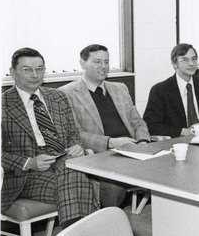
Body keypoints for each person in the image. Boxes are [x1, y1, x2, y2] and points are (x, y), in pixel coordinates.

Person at [1, 47, 100, 227]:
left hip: (62, 161)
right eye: (27, 69)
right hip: (26, 176)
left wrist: (76, 146)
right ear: (12, 72)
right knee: (80, 181)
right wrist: (28, 162)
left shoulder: (57, 96)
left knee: (71, 174)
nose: (35, 75)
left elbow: (72, 133)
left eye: (40, 69)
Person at [60, 44, 151, 207]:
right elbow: (75, 133)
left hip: (133, 149)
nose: (103, 66)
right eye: (97, 61)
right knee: (114, 186)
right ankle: (108, 226)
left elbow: (137, 121)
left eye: (106, 62)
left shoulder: (120, 88)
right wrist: (110, 142)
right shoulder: (67, 93)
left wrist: (143, 141)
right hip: (101, 154)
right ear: (82, 63)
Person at [143, 43, 199, 137]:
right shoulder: (160, 90)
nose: (191, 63)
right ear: (174, 64)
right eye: (185, 60)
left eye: (194, 59)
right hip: (177, 141)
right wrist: (182, 132)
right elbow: (151, 125)